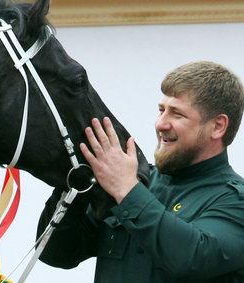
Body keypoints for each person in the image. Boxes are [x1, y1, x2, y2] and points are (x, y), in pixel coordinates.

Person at [37, 61, 244, 282]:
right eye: (161, 110)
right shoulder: (139, 182)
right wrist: (75, 184)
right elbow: (56, 253)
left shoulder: (234, 201)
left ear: (218, 126)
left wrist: (127, 190)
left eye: (177, 114)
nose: (161, 123)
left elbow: (192, 257)